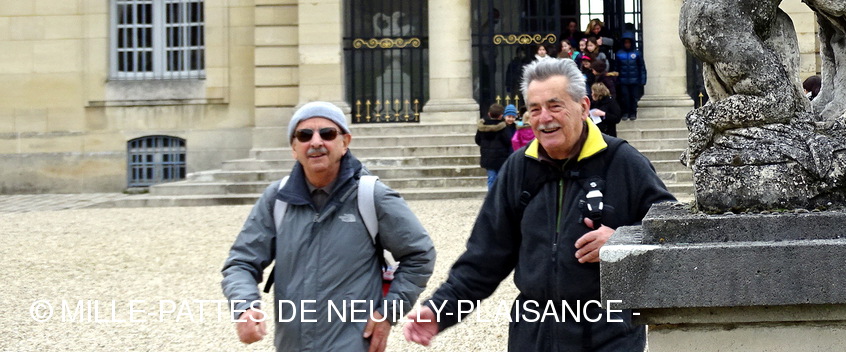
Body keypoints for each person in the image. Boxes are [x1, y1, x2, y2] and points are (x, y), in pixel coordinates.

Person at [403, 57, 675, 351]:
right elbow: (485, 256)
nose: (544, 118)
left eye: (555, 106)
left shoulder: (623, 162)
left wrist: (623, 241)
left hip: (606, 338)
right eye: (534, 109)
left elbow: (673, 236)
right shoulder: (518, 168)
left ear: (583, 107)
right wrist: (440, 310)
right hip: (531, 337)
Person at [222, 101, 436, 352]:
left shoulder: (372, 196)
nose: (316, 142)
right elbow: (241, 262)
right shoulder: (276, 199)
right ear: (294, 148)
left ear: (345, 142)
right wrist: (245, 307)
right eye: (304, 135)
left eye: (327, 133)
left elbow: (419, 254)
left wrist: (388, 313)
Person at [476, 102, 518, 189]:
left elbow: (477, 140)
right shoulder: (502, 127)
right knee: (501, 179)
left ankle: (491, 196)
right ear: (501, 116)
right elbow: (508, 141)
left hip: (488, 157)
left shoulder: (482, 126)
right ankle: (499, 196)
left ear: (489, 114)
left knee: (491, 178)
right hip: (501, 157)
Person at [611, 36, 646, 121]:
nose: (627, 44)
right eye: (625, 42)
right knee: (624, 98)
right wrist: (616, 80)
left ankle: (633, 113)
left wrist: (643, 80)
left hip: (635, 80)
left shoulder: (637, 53)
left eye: (629, 42)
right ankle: (625, 113)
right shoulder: (619, 54)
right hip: (623, 81)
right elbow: (616, 68)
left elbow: (641, 68)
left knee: (634, 98)